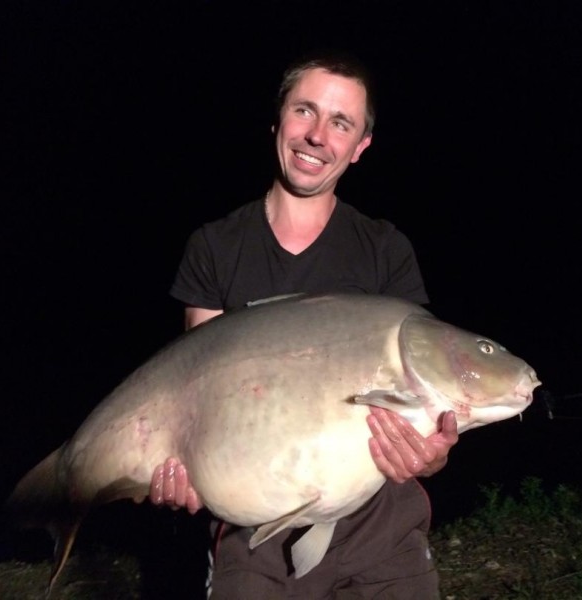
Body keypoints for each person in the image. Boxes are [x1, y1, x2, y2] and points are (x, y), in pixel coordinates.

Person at [149, 49, 459, 599]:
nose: (317, 135)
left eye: (341, 122)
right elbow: (195, 392)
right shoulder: (215, 247)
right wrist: (185, 466)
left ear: (360, 146)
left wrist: (432, 453)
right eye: (305, 111)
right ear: (277, 121)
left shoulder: (385, 250)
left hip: (379, 515)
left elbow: (424, 400)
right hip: (252, 527)